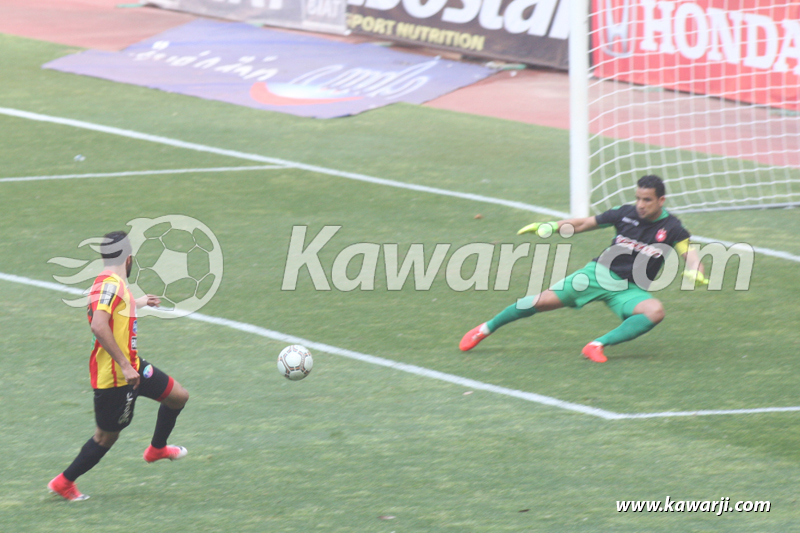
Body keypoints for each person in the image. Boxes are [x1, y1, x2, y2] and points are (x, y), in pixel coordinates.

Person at [459, 175, 708, 363]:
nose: (641, 205)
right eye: (638, 198)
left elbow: (690, 253)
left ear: (661, 200)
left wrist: (696, 271)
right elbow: (581, 224)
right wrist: (551, 226)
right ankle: (485, 328)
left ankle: (596, 345)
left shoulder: (673, 227)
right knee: (538, 302)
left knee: (655, 311)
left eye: (647, 200)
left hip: (629, 290)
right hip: (597, 275)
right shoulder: (624, 213)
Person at [48, 231, 189, 501]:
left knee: (178, 397)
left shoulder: (112, 283)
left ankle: (157, 449)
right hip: (117, 377)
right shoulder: (110, 286)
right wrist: (124, 365)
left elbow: (113, 312)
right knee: (105, 438)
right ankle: (64, 482)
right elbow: (99, 325)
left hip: (133, 368)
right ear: (128, 258)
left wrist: (139, 303)